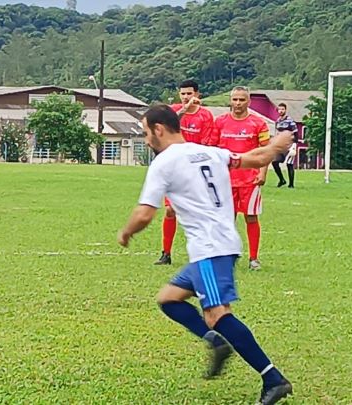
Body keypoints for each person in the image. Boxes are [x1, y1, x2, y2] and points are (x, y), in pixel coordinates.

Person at [118, 104, 293, 405]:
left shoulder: (163, 163)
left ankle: (272, 378)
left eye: (146, 133)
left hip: (210, 249)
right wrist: (279, 142)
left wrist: (126, 232)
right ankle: (215, 341)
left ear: (159, 129)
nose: (146, 140)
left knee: (217, 314)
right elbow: (256, 158)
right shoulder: (211, 152)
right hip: (218, 245)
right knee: (169, 299)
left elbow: (145, 214)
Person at [156, 79, 218, 266]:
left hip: (196, 169)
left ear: (197, 95)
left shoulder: (205, 116)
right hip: (174, 169)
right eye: (182, 94)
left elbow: (207, 143)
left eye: (189, 94)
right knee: (169, 210)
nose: (185, 97)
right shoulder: (173, 111)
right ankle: (166, 253)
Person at [216, 87, 270, 270]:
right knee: (226, 219)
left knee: (251, 217)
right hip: (226, 180)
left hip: (250, 179)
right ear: (230, 101)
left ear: (249, 102)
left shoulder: (258, 124)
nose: (238, 103)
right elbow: (213, 150)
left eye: (241, 100)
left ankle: (253, 258)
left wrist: (263, 172)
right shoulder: (220, 122)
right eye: (235, 99)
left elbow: (265, 151)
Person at [272, 103, 298, 188]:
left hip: (289, 145)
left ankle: (291, 184)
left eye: (282, 109)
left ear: (285, 110)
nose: (280, 111)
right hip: (280, 145)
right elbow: (277, 133)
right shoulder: (278, 121)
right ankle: (282, 180)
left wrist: (294, 145)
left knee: (289, 164)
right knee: (274, 162)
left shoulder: (290, 121)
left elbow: (296, 133)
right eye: (279, 109)